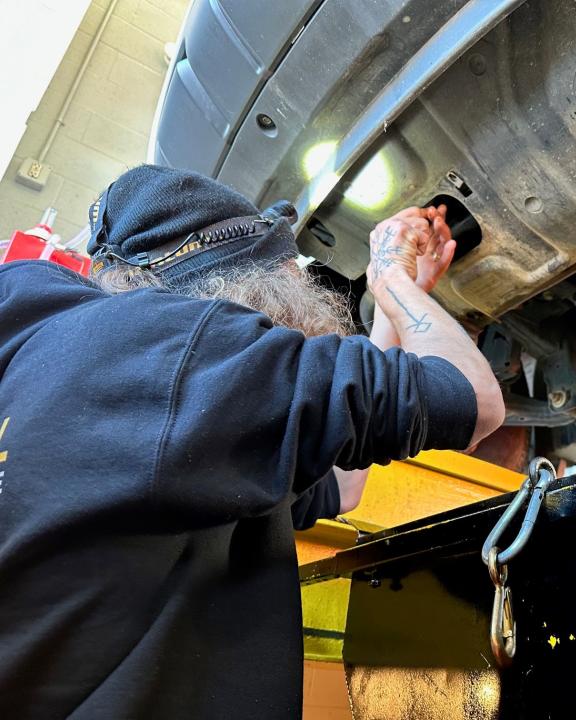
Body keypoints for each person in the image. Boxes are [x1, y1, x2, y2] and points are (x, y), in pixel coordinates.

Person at [0, 165, 504, 718]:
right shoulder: (185, 356)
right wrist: (391, 281)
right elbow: (475, 399)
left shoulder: (120, 385)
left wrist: (395, 307)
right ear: (238, 280)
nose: (302, 284)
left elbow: (344, 482)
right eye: (289, 270)